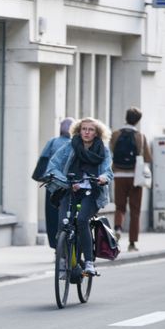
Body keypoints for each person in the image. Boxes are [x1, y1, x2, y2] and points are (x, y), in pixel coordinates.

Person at [44, 117, 113, 275]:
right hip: (70, 190)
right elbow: (53, 166)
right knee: (63, 224)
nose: (87, 132)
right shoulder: (70, 146)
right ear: (78, 130)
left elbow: (107, 170)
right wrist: (65, 181)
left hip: (91, 191)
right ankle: (65, 260)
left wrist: (103, 178)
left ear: (97, 133)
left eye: (91, 130)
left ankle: (88, 263)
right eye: (84, 129)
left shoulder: (103, 149)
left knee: (82, 220)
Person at [110, 107, 151, 252]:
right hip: (135, 177)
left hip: (119, 175)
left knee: (119, 207)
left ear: (126, 117)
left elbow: (111, 152)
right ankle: (132, 243)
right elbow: (147, 157)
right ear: (138, 120)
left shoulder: (115, 134)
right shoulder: (140, 136)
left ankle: (118, 228)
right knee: (135, 210)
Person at [38, 117, 75, 249]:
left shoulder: (52, 142)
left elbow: (43, 160)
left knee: (51, 214)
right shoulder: (73, 144)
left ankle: (55, 246)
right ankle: (69, 244)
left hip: (53, 184)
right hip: (70, 184)